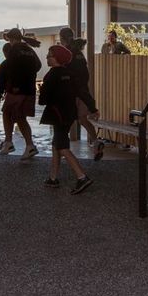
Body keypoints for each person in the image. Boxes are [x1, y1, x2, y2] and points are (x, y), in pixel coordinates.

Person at [38, 45, 93, 194]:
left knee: (62, 146)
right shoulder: (70, 74)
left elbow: (43, 100)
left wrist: (41, 90)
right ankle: (53, 177)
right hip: (69, 114)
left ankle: (82, 177)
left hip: (57, 114)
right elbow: (81, 92)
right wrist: (93, 108)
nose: (47, 57)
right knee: (57, 143)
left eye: (50, 55)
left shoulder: (51, 75)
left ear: (57, 58)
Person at [0, 36, 41, 159]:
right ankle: (28, 145)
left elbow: (5, 75)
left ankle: (9, 142)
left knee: (7, 113)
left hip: (16, 91)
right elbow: (38, 65)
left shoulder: (14, 51)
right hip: (29, 90)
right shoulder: (29, 50)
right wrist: (28, 76)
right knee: (21, 118)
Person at [59, 26, 102, 159]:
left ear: (62, 39)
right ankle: (96, 142)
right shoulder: (79, 53)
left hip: (72, 92)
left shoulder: (67, 53)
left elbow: (63, 72)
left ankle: (61, 147)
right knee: (83, 119)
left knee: (65, 120)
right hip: (83, 91)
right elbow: (85, 75)